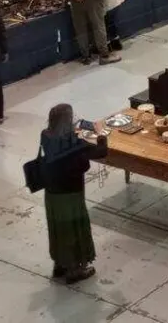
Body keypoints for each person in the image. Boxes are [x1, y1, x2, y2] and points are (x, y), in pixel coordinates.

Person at [40, 103, 107, 284]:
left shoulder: (45, 136)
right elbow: (101, 151)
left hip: (52, 194)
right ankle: (75, 270)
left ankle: (60, 265)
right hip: (71, 194)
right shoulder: (76, 144)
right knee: (74, 230)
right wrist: (100, 132)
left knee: (58, 230)